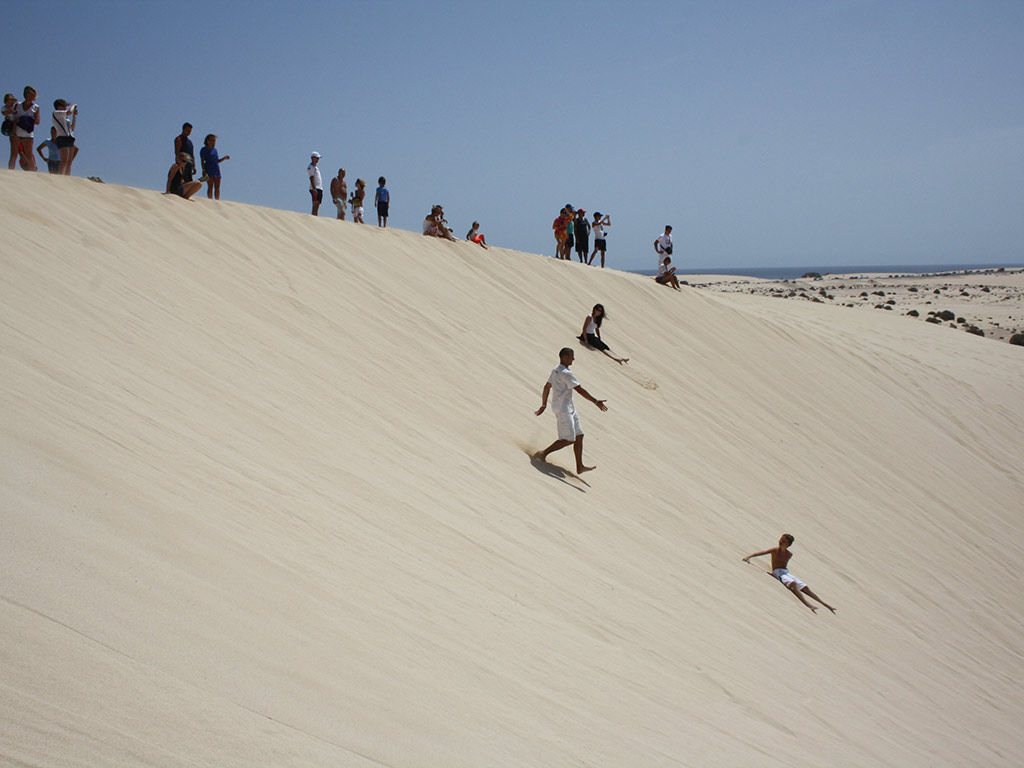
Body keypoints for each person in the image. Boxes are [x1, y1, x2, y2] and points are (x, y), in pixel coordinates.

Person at [534, 347, 608, 474]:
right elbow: (579, 390)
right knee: (569, 439)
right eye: (571, 356)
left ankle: (580, 466)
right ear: (564, 357)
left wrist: (544, 405)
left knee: (579, 435)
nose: (573, 359)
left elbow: (547, 387)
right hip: (563, 410)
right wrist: (596, 401)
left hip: (569, 408)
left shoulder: (556, 369)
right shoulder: (566, 373)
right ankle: (543, 453)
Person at [743, 534, 837, 614]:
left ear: (788, 544)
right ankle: (807, 603)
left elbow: (784, 566)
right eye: (781, 539)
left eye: (783, 541)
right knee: (793, 584)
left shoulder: (789, 554)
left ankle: (826, 605)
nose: (780, 541)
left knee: (805, 588)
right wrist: (749, 557)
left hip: (786, 572)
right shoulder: (775, 550)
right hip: (778, 572)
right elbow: (761, 553)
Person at [13, 86, 41, 171]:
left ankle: (32, 173)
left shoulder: (36, 107)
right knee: (14, 154)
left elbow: (37, 121)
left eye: (31, 93)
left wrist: (26, 120)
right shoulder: (18, 105)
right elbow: (13, 118)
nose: (28, 95)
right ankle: (10, 172)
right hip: (17, 132)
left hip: (28, 134)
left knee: (29, 155)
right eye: (27, 93)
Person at [51, 99, 78, 175]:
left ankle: (67, 177)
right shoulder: (56, 113)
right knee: (64, 160)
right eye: (64, 106)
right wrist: (73, 105)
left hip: (69, 138)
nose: (65, 108)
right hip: (62, 138)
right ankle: (61, 177)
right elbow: (69, 112)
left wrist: (75, 117)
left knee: (69, 162)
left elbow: (72, 128)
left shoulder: (65, 119)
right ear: (59, 106)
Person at [199, 134, 230, 199]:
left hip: (216, 169)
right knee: (210, 186)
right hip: (209, 169)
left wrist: (224, 158)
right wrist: (203, 170)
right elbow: (202, 161)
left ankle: (217, 201)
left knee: (217, 187)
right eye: (212, 140)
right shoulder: (204, 149)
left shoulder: (215, 150)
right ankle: (210, 200)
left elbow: (217, 161)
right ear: (207, 141)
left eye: (214, 141)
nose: (213, 142)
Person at [3, 93, 19, 170]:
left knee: (17, 153)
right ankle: (11, 169)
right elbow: (4, 113)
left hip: (17, 127)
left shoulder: (15, 107)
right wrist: (10, 110)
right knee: (14, 153)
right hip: (11, 127)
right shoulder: (5, 108)